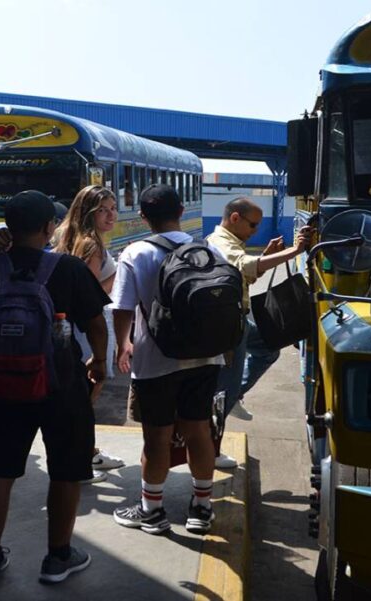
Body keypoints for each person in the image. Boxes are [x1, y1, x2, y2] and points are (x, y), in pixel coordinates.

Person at [0, 190, 109, 589]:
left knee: (0, 470)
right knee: (66, 470)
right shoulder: (67, 268)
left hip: (3, 380)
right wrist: (98, 363)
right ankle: (58, 557)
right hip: (61, 384)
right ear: (50, 227)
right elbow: (96, 324)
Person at [110, 184, 223, 536]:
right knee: (198, 431)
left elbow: (123, 307)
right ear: (181, 211)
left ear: (143, 216)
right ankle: (201, 509)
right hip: (206, 356)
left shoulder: (136, 252)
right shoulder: (209, 248)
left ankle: (153, 512)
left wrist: (122, 344)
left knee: (156, 437)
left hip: (155, 360)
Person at [206, 198, 311, 467]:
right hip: (230, 326)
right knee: (223, 391)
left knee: (268, 348)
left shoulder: (230, 242)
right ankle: (209, 450)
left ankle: (235, 394)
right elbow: (246, 267)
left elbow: (247, 276)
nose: (254, 230)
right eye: (252, 225)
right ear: (235, 218)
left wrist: (266, 255)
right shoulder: (221, 243)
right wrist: (295, 251)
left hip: (238, 320)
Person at [53, 185, 125, 483]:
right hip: (91, 326)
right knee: (89, 391)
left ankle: (89, 450)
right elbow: (91, 294)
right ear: (88, 213)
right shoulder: (91, 245)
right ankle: (79, 459)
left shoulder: (66, 236)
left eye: (112, 207)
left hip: (71, 325)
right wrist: (120, 272)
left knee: (80, 392)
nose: (111, 215)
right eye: (103, 210)